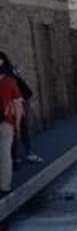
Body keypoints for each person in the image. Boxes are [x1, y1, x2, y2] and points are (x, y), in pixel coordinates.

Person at [0, 51, 42, 165]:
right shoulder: (11, 71)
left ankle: (16, 157)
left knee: (17, 129)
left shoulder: (8, 73)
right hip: (15, 103)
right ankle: (21, 154)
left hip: (14, 103)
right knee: (18, 130)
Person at [0, 62, 24, 196]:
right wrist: (18, 125)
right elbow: (18, 106)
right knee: (5, 154)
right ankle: (5, 186)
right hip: (6, 122)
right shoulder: (9, 82)